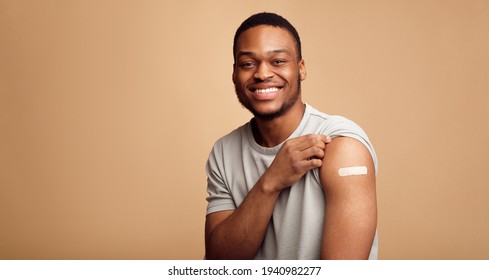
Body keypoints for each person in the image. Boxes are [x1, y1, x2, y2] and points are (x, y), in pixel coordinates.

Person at [204, 12, 378, 260]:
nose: (262, 73)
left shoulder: (342, 146)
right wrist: (271, 181)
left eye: (278, 61)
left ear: (301, 69)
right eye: (247, 64)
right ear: (234, 74)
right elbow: (220, 262)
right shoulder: (223, 152)